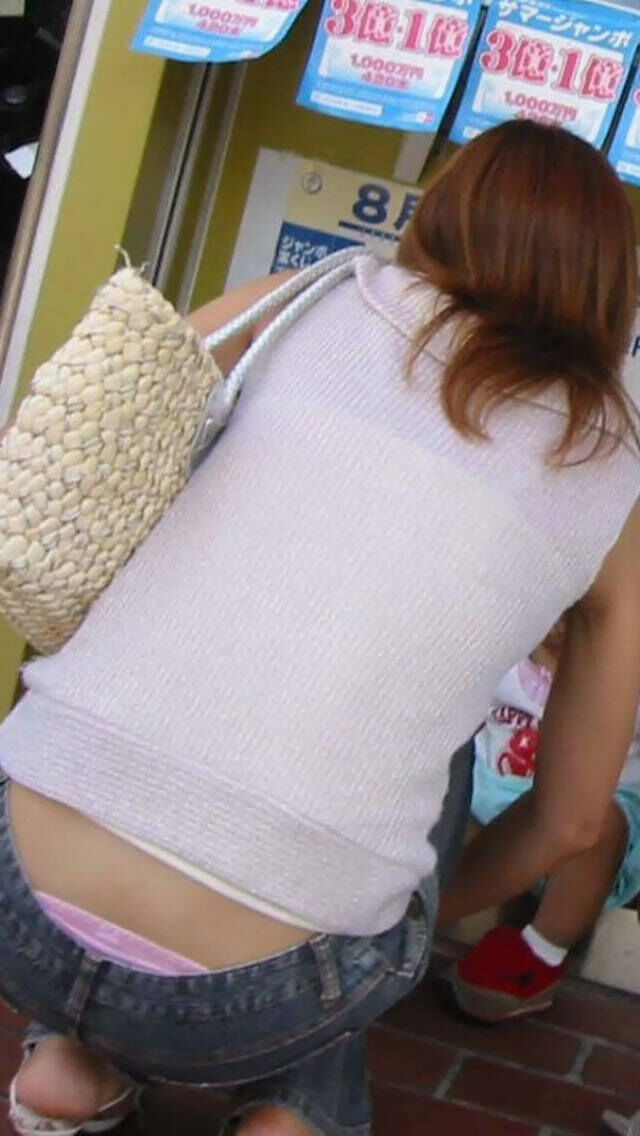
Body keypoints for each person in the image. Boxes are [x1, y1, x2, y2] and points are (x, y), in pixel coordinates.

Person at [0, 119, 640, 1136]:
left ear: (441, 215)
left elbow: (121, 398)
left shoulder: (314, 298)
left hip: (16, 893)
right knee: (413, 777)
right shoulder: (612, 473)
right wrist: (411, 913)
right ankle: (297, 1109)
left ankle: (66, 1057)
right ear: (610, 285)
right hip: (267, 996)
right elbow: (569, 822)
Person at [445, 619, 640, 1022]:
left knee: (600, 825)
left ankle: (539, 953)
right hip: (492, 801)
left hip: (590, 819)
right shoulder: (505, 651)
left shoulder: (625, 679)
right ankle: (409, 906)